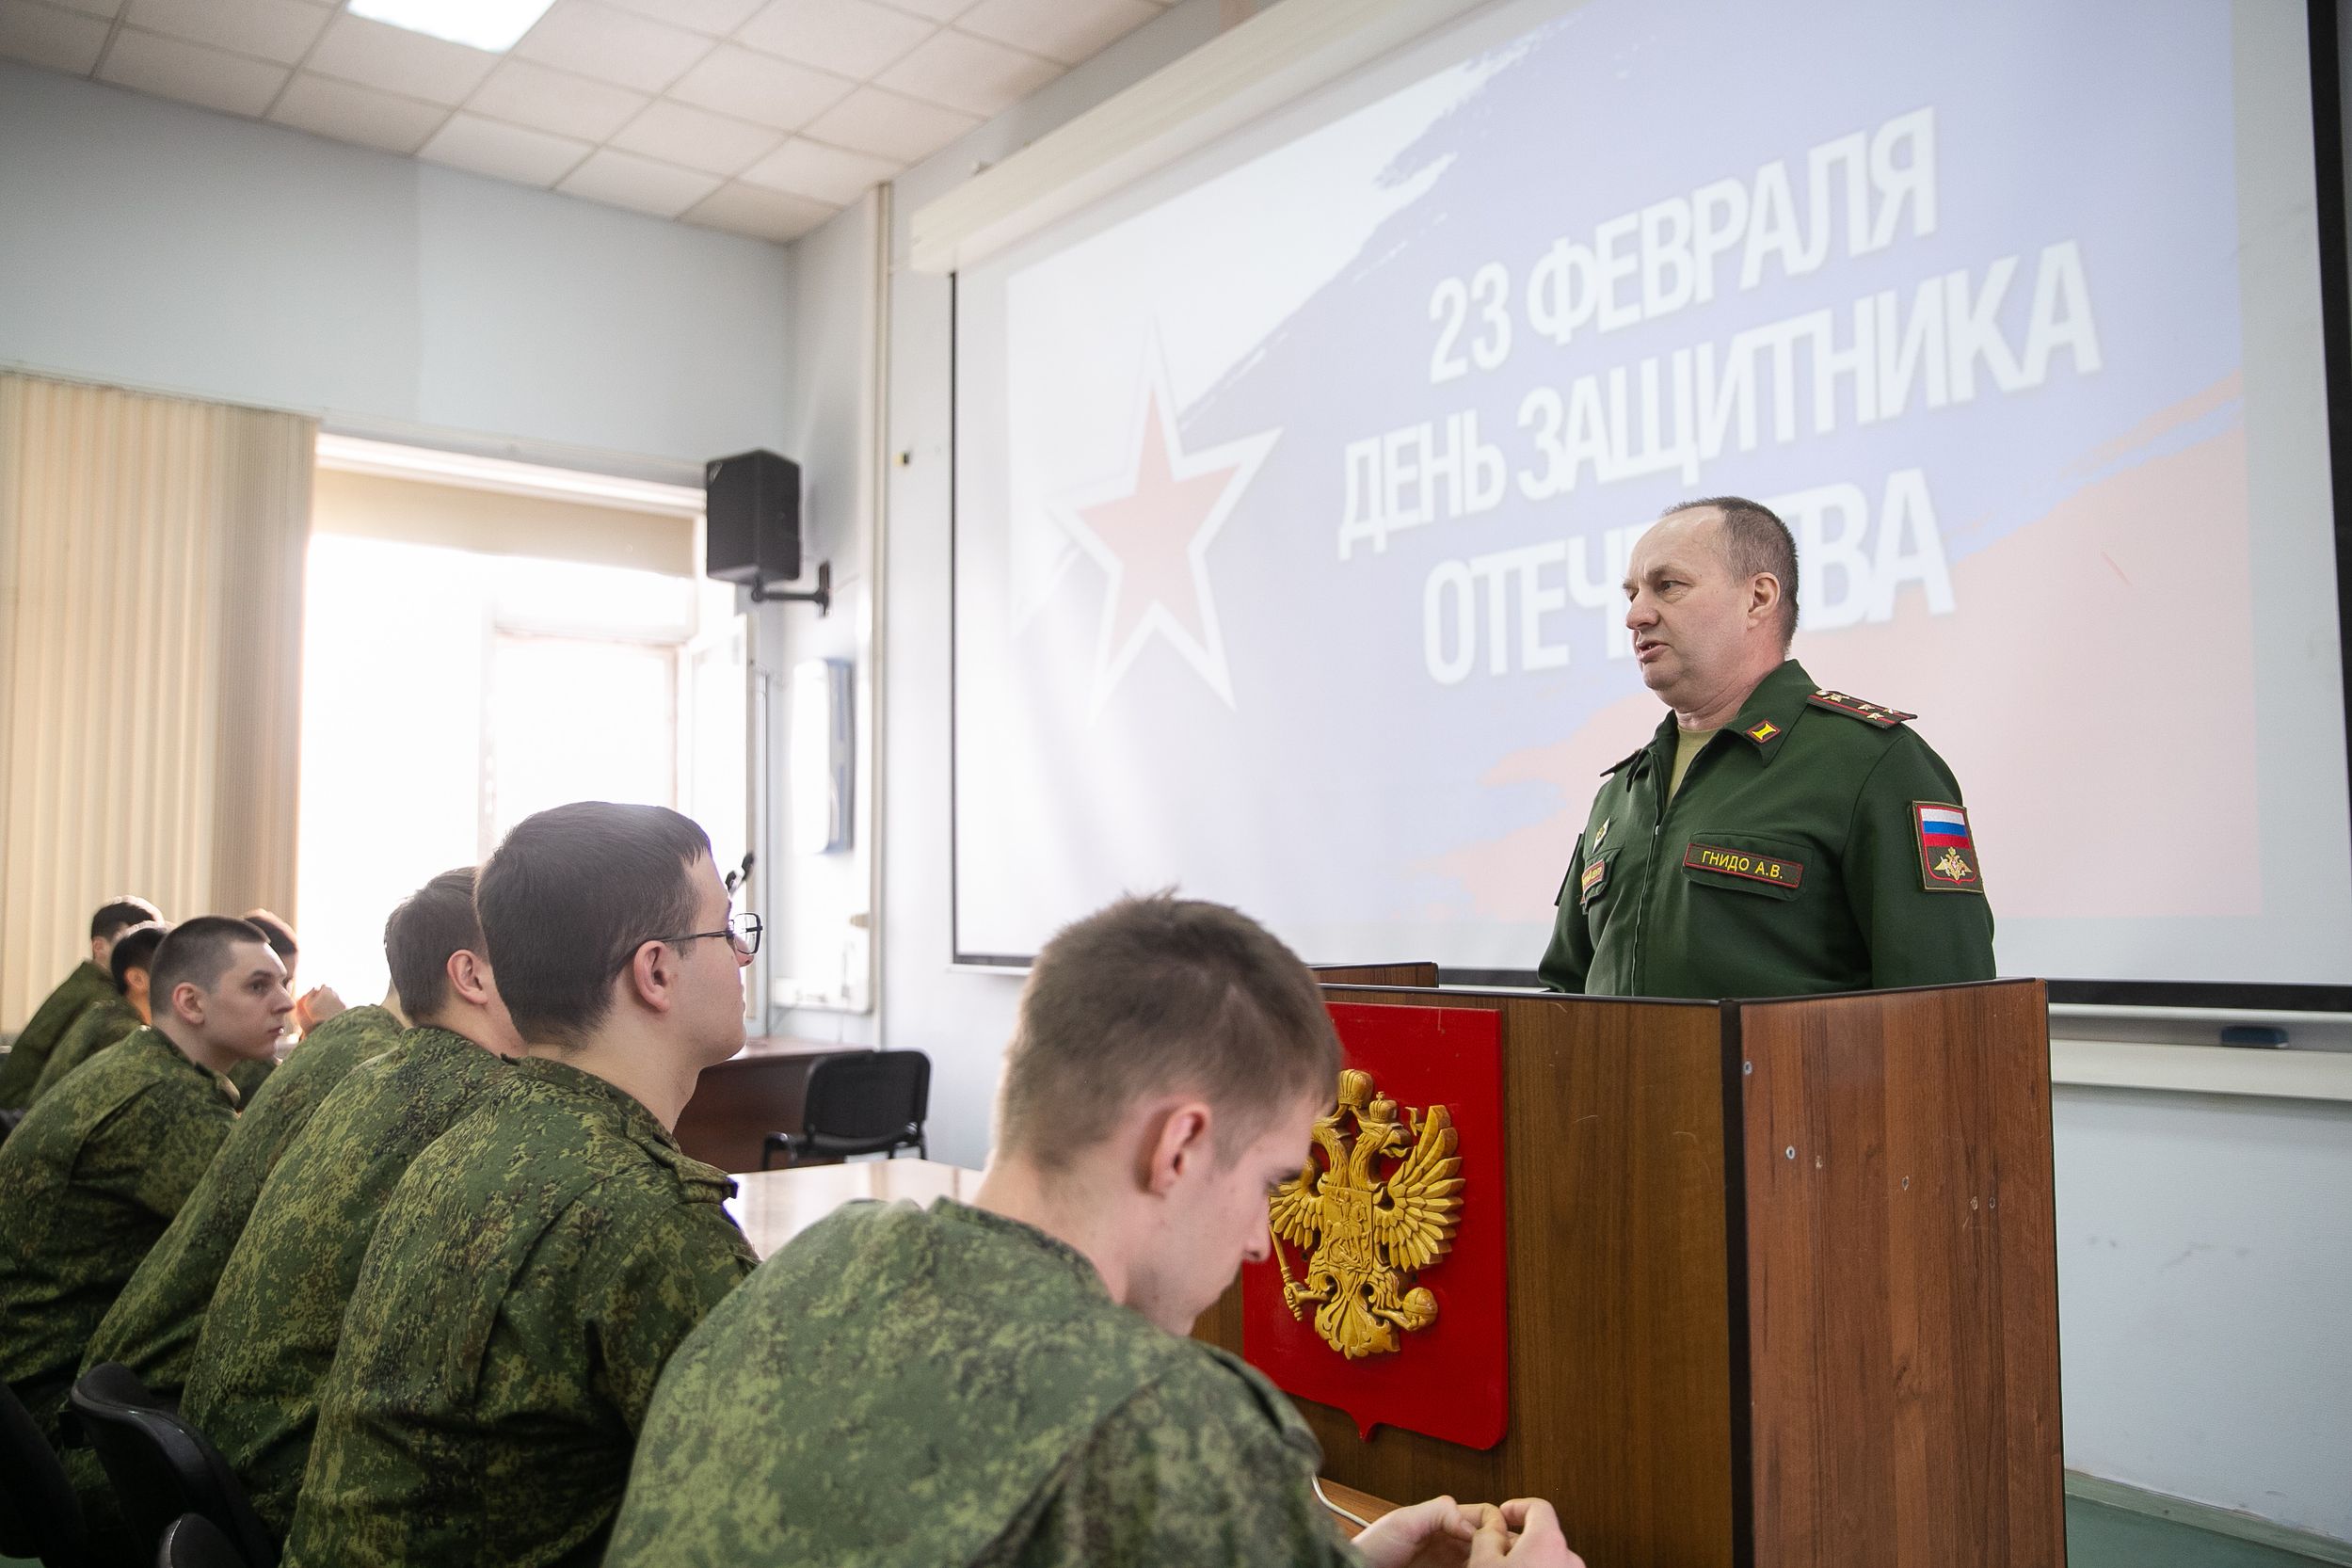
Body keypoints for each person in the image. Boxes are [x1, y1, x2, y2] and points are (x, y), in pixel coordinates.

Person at [603, 893, 1581, 1568]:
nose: (1256, 1243)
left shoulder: (811, 1270)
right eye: (1273, 1181)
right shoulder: (1167, 1419)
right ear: (1181, 1146)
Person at [281, 805, 760, 1568]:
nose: (741, 954)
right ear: (657, 972)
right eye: (725, 930)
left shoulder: (477, 1136)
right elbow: (776, 1498)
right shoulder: (643, 1216)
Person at [1539, 496, 1995, 997]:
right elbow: (1567, 992)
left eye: (1667, 586)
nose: (1636, 615)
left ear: (1757, 598)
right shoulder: (1623, 792)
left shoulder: (1872, 762)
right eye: (1631, 594)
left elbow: (1945, 1008)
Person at [183, 868, 521, 1537]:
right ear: (471, 975)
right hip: (275, 1473)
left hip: (220, 1439)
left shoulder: (374, 1061)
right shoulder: (440, 1088)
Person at [0, 918, 289, 1443]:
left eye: (282, 984)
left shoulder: (152, 1067)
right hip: (54, 1409)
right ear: (191, 1003)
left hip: (60, 1379)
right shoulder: (161, 1101)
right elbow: (288, 1224)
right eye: (258, 986)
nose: (286, 1003)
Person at [0, 896, 162, 1111]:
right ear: (99, 947)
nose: (135, 945)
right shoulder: (103, 999)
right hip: (23, 1107)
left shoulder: (87, 983)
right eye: (130, 937)